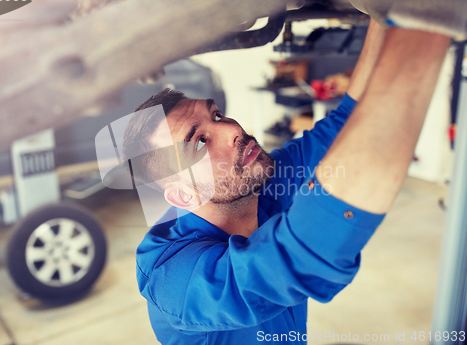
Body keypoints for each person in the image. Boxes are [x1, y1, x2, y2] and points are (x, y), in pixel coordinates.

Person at [125, 18, 451, 344]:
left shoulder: (259, 185)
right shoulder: (172, 278)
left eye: (217, 115)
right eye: (199, 142)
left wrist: (385, 12)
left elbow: (344, 122)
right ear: (183, 196)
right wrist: (427, 17)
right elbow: (300, 258)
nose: (233, 130)